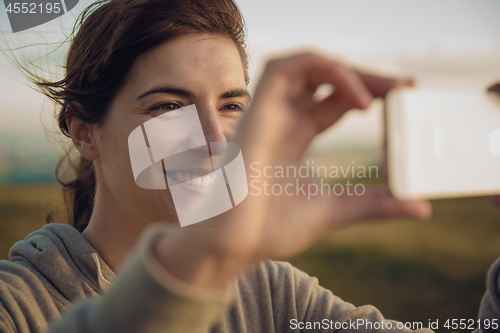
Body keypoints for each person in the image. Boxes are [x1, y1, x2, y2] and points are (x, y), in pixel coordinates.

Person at [0, 0, 499, 332]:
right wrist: (197, 268)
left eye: (232, 105)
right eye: (168, 106)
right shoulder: (17, 306)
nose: (215, 140)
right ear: (85, 131)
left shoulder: (274, 293)